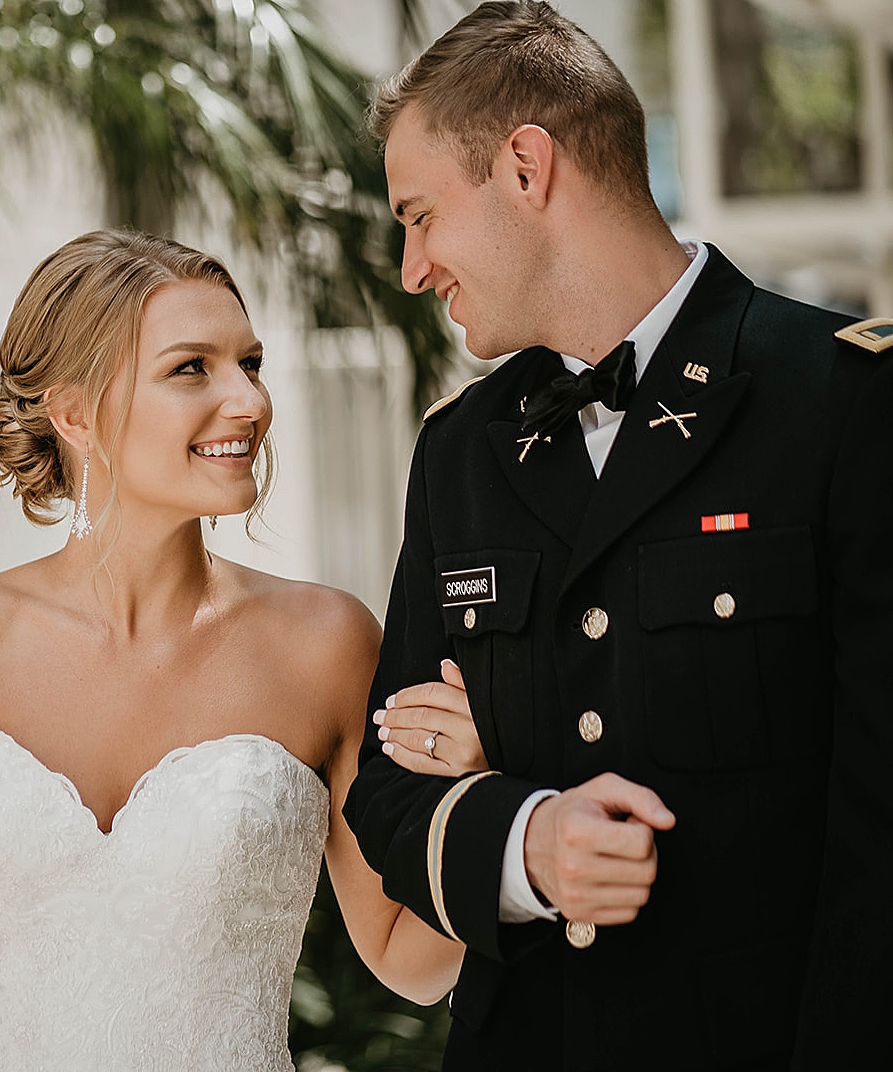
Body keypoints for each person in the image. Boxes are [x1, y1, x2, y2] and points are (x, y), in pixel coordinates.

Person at [0, 229, 486, 1071]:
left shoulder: (327, 646)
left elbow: (404, 957)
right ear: (76, 413)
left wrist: (484, 789)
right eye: (191, 367)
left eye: (251, 363)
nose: (249, 401)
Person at [346, 4, 893, 1070]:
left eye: (420, 215)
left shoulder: (842, 404)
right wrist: (522, 841)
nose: (412, 268)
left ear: (523, 167)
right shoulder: (459, 452)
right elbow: (385, 790)